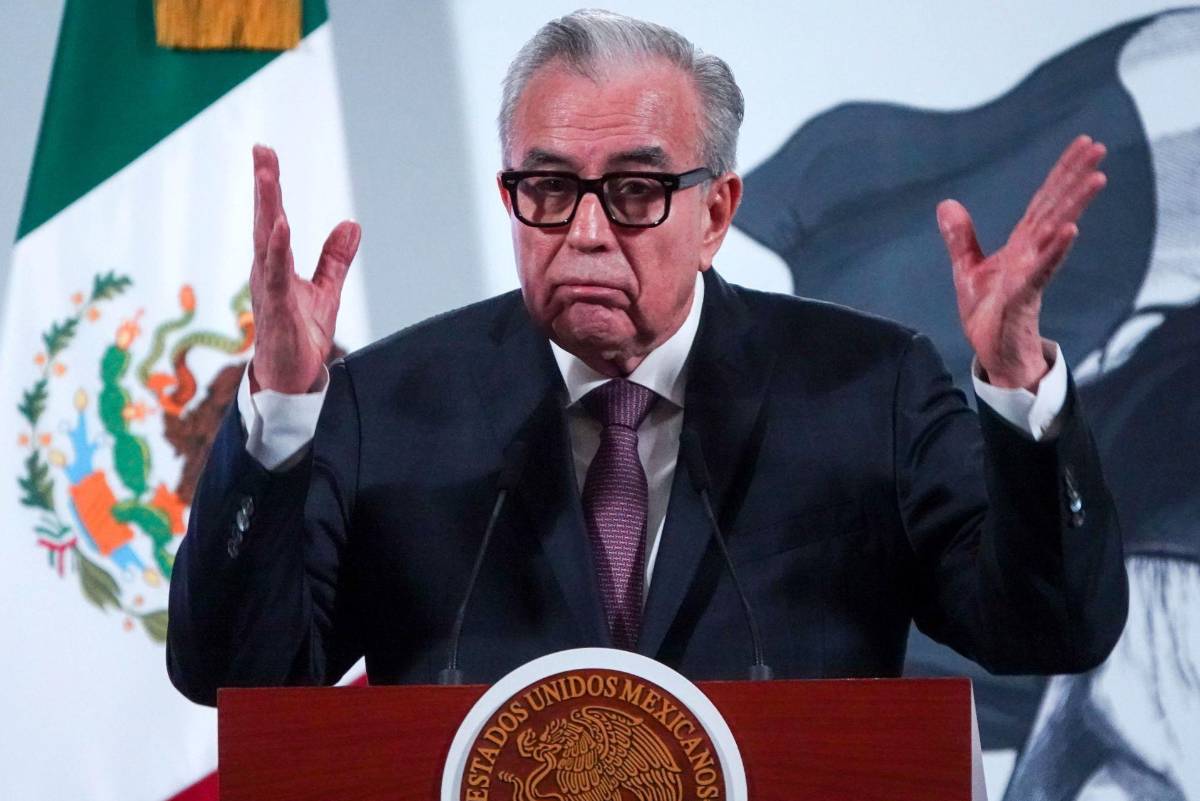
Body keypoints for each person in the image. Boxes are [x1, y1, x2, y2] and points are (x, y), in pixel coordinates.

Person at [167, 10, 1127, 706]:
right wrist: (281, 412)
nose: (586, 231)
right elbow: (232, 674)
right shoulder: (387, 405)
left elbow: (1049, 627)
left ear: (716, 212)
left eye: (634, 190)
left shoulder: (868, 388)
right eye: (548, 188)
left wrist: (1018, 386)